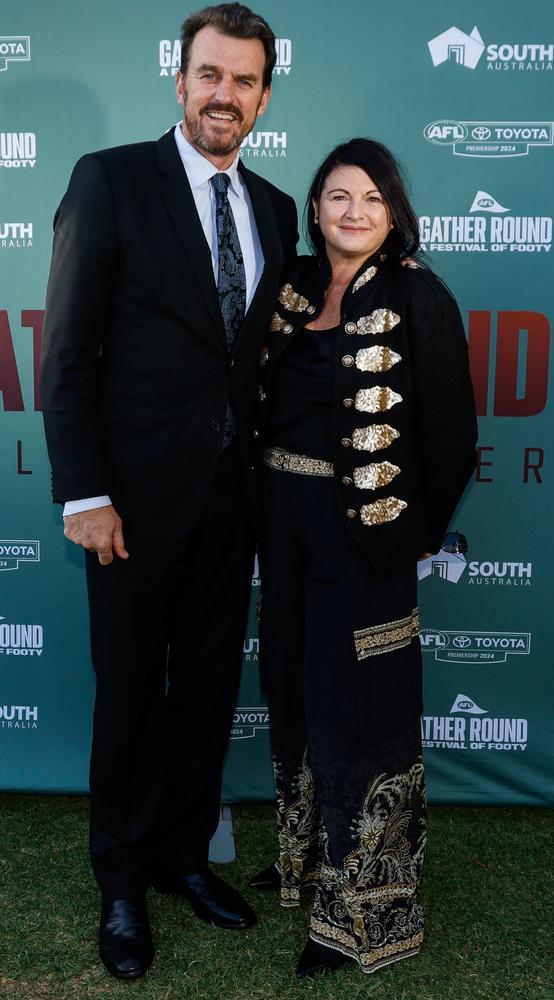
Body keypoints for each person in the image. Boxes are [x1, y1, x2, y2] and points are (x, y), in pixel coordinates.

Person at [40, 3, 297, 981]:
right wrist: (84, 494)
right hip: (129, 511)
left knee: (204, 695)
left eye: (241, 80)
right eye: (208, 74)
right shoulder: (108, 181)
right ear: (179, 81)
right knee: (129, 700)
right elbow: (64, 354)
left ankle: (183, 856)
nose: (222, 94)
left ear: (263, 96)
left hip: (233, 506)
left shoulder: (272, 208)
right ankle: (120, 881)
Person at [249, 138, 478, 978]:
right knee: (293, 684)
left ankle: (364, 903)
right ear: (314, 208)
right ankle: (306, 857)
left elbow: (453, 437)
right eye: (338, 197)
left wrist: (411, 537)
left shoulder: (420, 297)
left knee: (362, 708)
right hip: (281, 519)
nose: (353, 213)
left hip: (367, 537)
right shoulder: (294, 286)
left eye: (371, 200)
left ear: (393, 214)